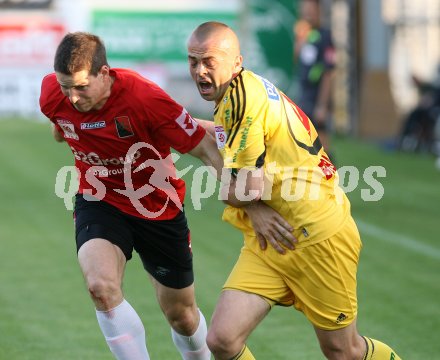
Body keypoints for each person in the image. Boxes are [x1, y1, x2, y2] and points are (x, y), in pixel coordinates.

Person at [187, 21, 401, 360]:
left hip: (318, 236)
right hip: (272, 239)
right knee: (223, 340)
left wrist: (230, 194)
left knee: (344, 351)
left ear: (237, 62)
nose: (199, 70)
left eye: (209, 61)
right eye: (193, 61)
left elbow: (244, 189)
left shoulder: (243, 99)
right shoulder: (236, 94)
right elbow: (225, 145)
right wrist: (178, 127)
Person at [39, 32, 225, 360]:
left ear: (105, 74)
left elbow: (207, 149)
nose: (73, 97)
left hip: (157, 206)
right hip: (99, 198)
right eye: (66, 86)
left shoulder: (145, 99)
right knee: (100, 286)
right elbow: (60, 124)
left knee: (181, 316)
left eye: (82, 87)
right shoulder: (53, 94)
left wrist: (247, 200)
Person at [294, 0, 335, 157]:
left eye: (310, 9)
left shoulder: (326, 36)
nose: (307, 13)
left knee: (323, 145)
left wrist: (322, 105)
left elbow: (328, 73)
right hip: (304, 97)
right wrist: (300, 40)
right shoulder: (305, 34)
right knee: (304, 145)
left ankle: (332, 177)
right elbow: (297, 60)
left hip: (317, 98)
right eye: (305, 10)